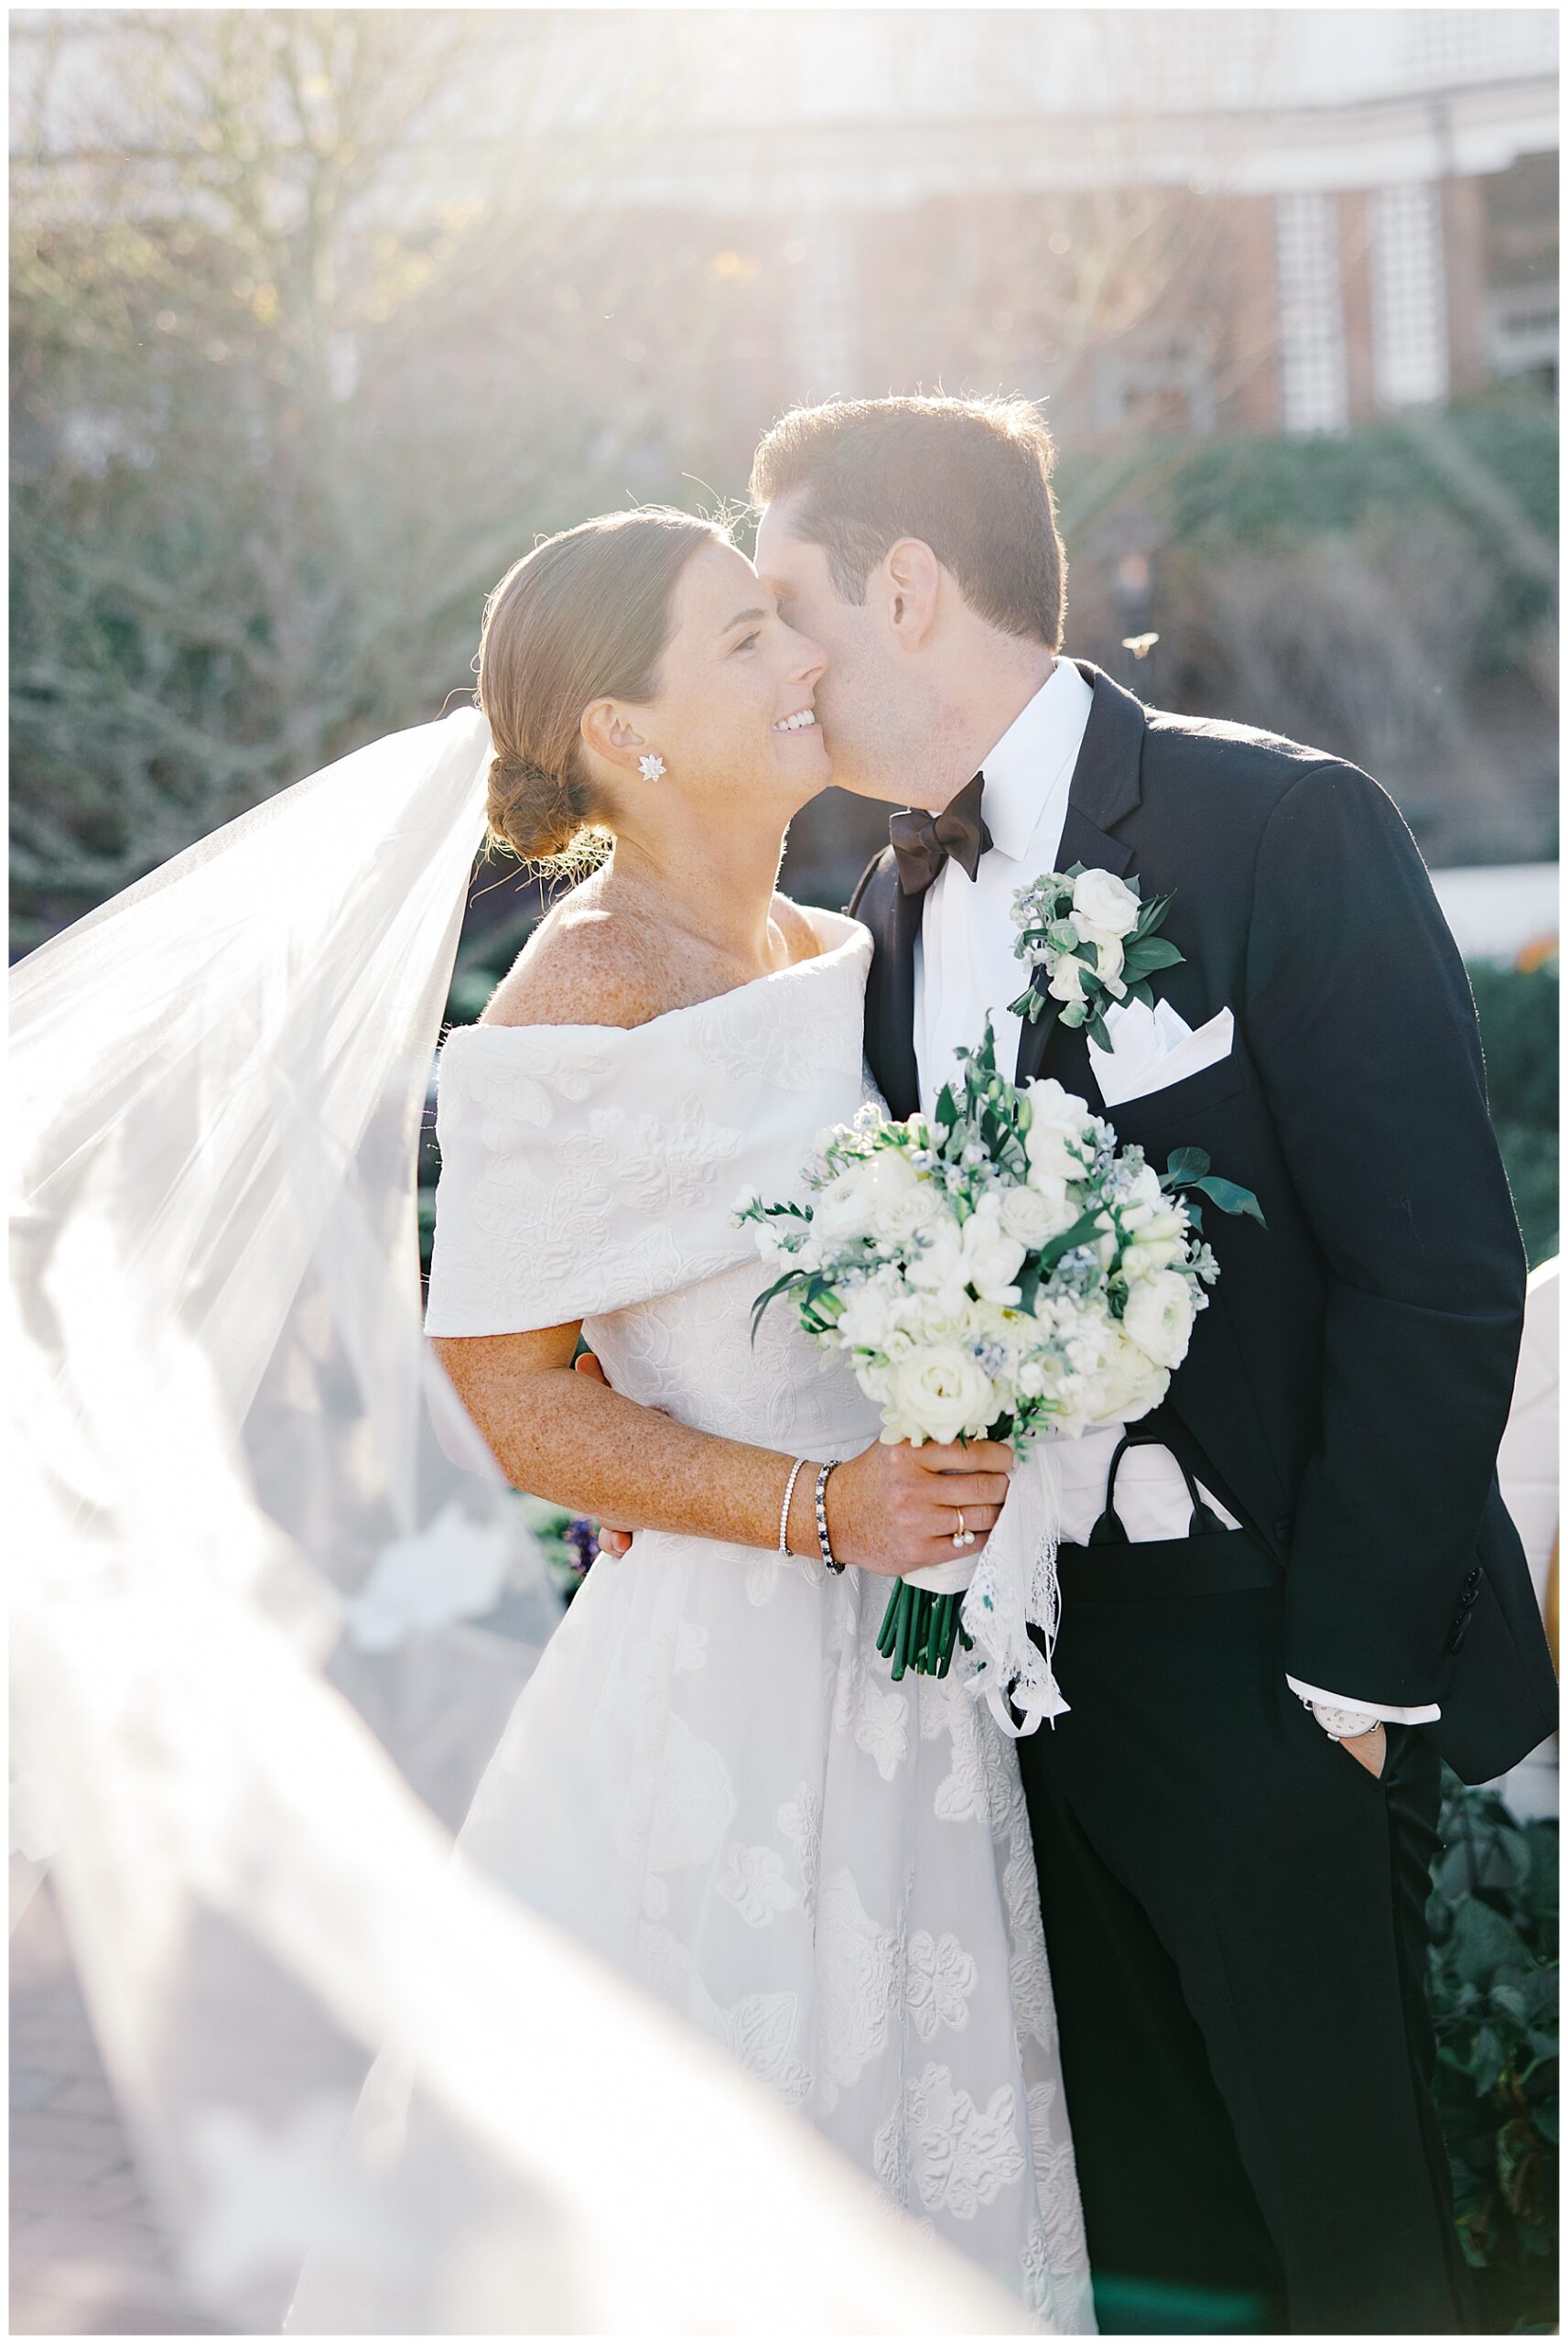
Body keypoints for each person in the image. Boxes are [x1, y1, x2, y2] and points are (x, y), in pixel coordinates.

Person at [738, 393, 1557, 2334]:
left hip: (1271, 1659)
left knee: (1355, 2243)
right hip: (1011, 1689)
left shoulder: (1275, 819)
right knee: (1144, 2240)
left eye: (789, 601)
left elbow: (1435, 1271)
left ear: (909, 586)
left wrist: (1341, 1671)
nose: (775, 656)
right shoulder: (883, 902)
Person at [419, 505, 1093, 2330]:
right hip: (728, 1678)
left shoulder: (833, 936)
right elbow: (492, 1387)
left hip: (912, 1686)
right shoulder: (582, 998)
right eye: (742, 639)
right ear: (622, 733)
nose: (804, 659)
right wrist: (821, 1504)